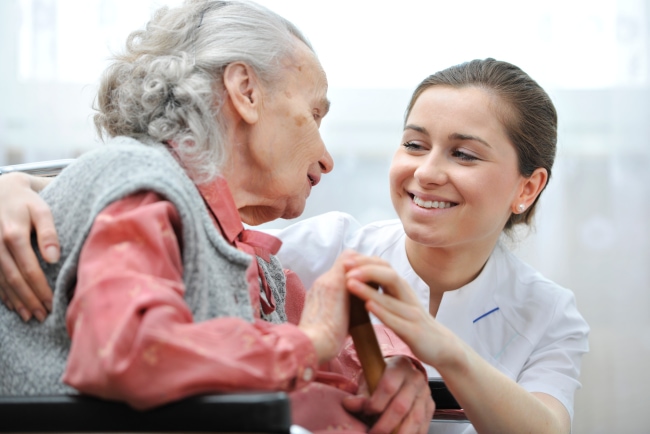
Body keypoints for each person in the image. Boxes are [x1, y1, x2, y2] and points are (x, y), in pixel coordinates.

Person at [0, 51, 586, 434]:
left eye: (463, 153)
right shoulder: (322, 248)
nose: (426, 172)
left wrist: (433, 353)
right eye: (413, 144)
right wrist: (15, 186)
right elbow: (178, 198)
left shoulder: (552, 312)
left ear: (527, 188)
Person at [0, 1, 434, 433]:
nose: (326, 159)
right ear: (245, 91)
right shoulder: (139, 185)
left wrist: (394, 366)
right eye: (314, 114)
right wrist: (309, 341)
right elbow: (129, 351)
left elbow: (326, 345)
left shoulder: (255, 264)